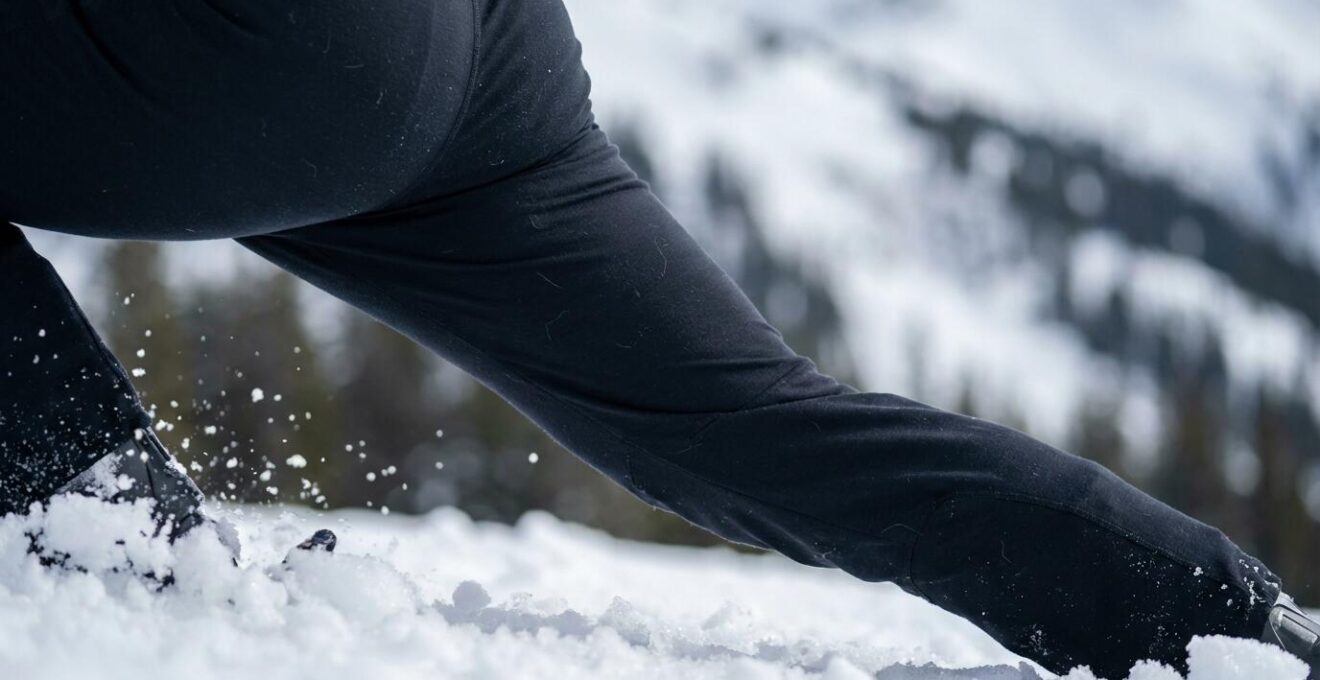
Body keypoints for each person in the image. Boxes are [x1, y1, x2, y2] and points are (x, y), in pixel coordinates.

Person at [0, 2, 1314, 676]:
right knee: (758, 423)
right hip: (488, 62)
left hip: (258, 46)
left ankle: (101, 530)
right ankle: (1232, 634)